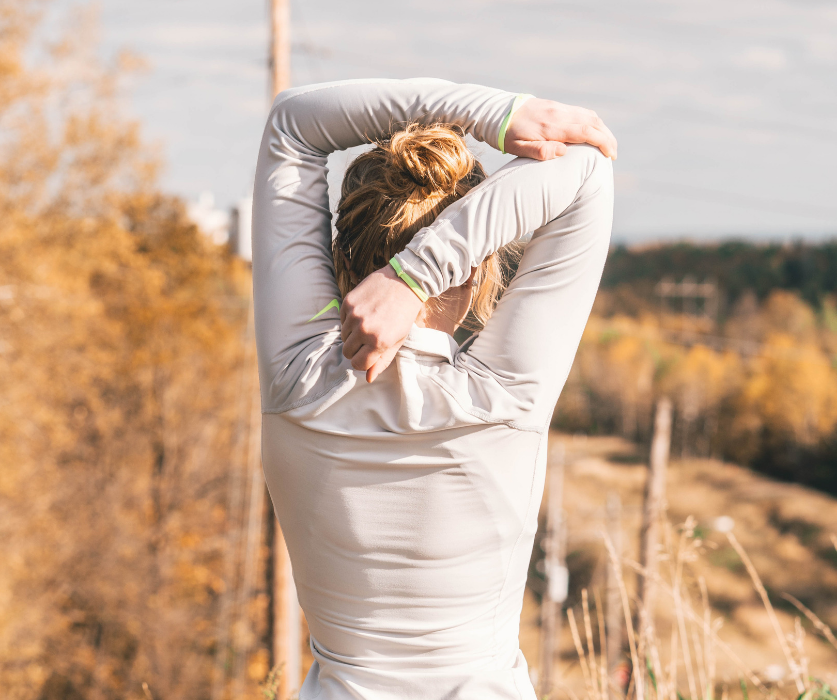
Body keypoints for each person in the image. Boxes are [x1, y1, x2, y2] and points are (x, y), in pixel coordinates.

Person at [252, 78, 616, 699]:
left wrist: (499, 115)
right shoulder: (503, 399)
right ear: (475, 268)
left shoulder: (297, 379)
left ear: (341, 253)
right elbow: (587, 171)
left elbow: (292, 124)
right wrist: (415, 275)